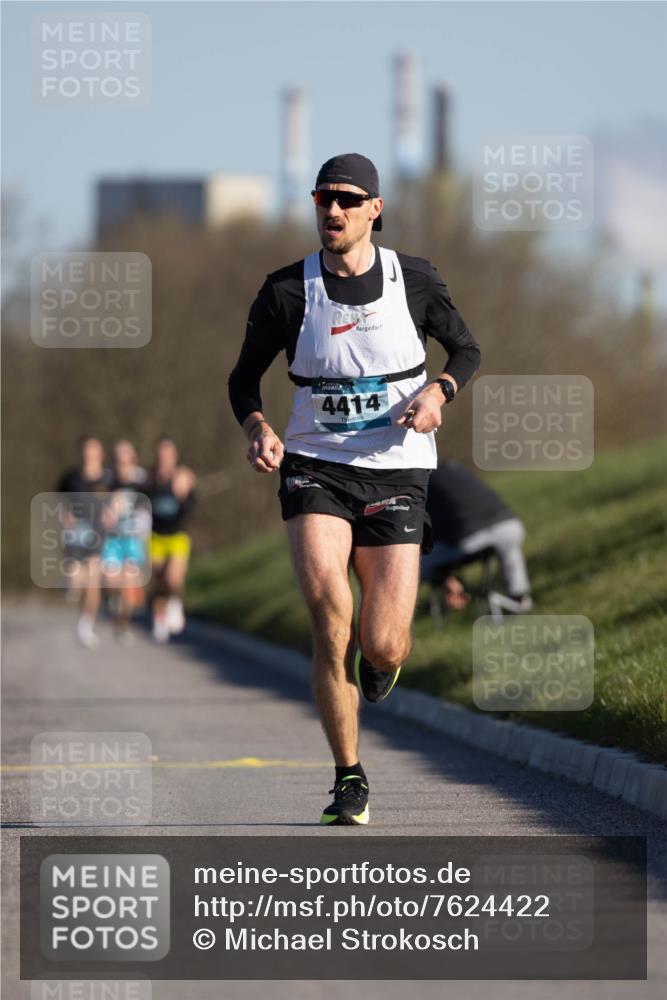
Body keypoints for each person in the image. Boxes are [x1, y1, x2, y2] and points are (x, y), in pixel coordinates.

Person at [229, 153, 480, 825]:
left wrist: (439, 391)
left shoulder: (414, 278)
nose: (331, 210)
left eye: (346, 199)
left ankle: (381, 660)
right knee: (328, 616)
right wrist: (257, 426)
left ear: (373, 208)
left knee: (384, 642)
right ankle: (348, 777)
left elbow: (467, 351)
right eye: (322, 199)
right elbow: (242, 380)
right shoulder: (286, 290)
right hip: (315, 463)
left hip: (397, 466)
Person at [421, 459, 532, 611]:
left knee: (419, 565)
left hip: (468, 539)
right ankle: (519, 598)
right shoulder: (453, 466)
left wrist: (442, 577)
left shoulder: (417, 481)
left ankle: (460, 591)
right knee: (508, 545)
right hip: (510, 525)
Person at [56, 435, 113, 648]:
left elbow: (121, 496)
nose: (89, 454)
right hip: (75, 534)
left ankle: (85, 624)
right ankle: (70, 584)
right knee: (75, 577)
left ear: (101, 453)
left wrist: (114, 508)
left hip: (98, 536)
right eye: (86, 450)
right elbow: (56, 501)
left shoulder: (109, 478)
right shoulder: (70, 477)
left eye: (93, 450)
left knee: (93, 584)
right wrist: (64, 514)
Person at [145, 437, 196, 643]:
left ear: (175, 456)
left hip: (177, 535)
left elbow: (193, 507)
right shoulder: (149, 479)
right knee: (158, 581)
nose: (164, 459)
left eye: (168, 455)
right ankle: (159, 619)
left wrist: (183, 495)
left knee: (173, 579)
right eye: (161, 455)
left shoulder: (184, 477)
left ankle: (175, 604)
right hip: (155, 535)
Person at [101, 440, 151, 642]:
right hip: (112, 537)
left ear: (133, 458)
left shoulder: (143, 479)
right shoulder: (106, 478)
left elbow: (150, 505)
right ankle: (110, 599)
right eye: (118, 456)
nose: (122, 460)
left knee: (130, 583)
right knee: (111, 580)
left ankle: (123, 623)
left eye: (126, 455)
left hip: (134, 538)